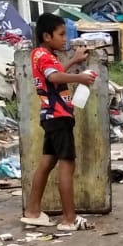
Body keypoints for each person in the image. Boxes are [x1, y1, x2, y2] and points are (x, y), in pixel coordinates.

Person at [22, 13, 97, 229]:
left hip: (50, 116)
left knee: (47, 162)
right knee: (67, 164)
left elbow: (54, 74)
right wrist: (80, 77)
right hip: (59, 116)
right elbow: (54, 77)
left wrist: (74, 60)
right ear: (47, 36)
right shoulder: (44, 55)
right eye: (61, 34)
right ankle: (69, 219)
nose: (65, 39)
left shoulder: (41, 55)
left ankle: (33, 211)